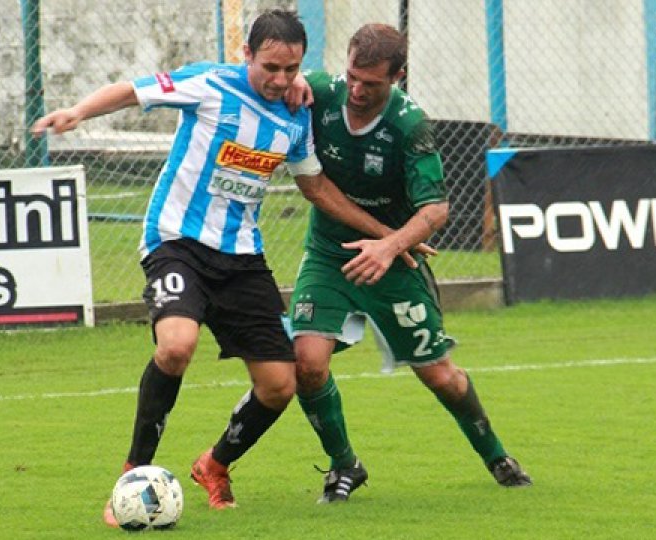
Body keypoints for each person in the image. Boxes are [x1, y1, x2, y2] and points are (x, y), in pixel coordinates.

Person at [31, 10, 420, 525]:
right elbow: (132, 90)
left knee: (281, 384)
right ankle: (133, 472)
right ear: (247, 56)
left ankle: (214, 465)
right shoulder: (211, 83)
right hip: (177, 241)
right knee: (176, 346)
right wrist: (78, 112)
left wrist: (386, 234)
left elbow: (315, 187)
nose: (280, 80)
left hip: (241, 257)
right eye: (270, 67)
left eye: (291, 69)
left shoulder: (296, 113)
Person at [286, 23, 532, 503]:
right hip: (329, 256)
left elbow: (436, 209)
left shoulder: (409, 126)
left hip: (393, 266)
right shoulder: (318, 92)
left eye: (371, 83)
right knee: (307, 364)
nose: (357, 90)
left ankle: (496, 454)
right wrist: (286, 83)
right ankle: (344, 465)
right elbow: (261, 83)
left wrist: (389, 245)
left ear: (399, 76)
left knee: (440, 375)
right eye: (352, 76)